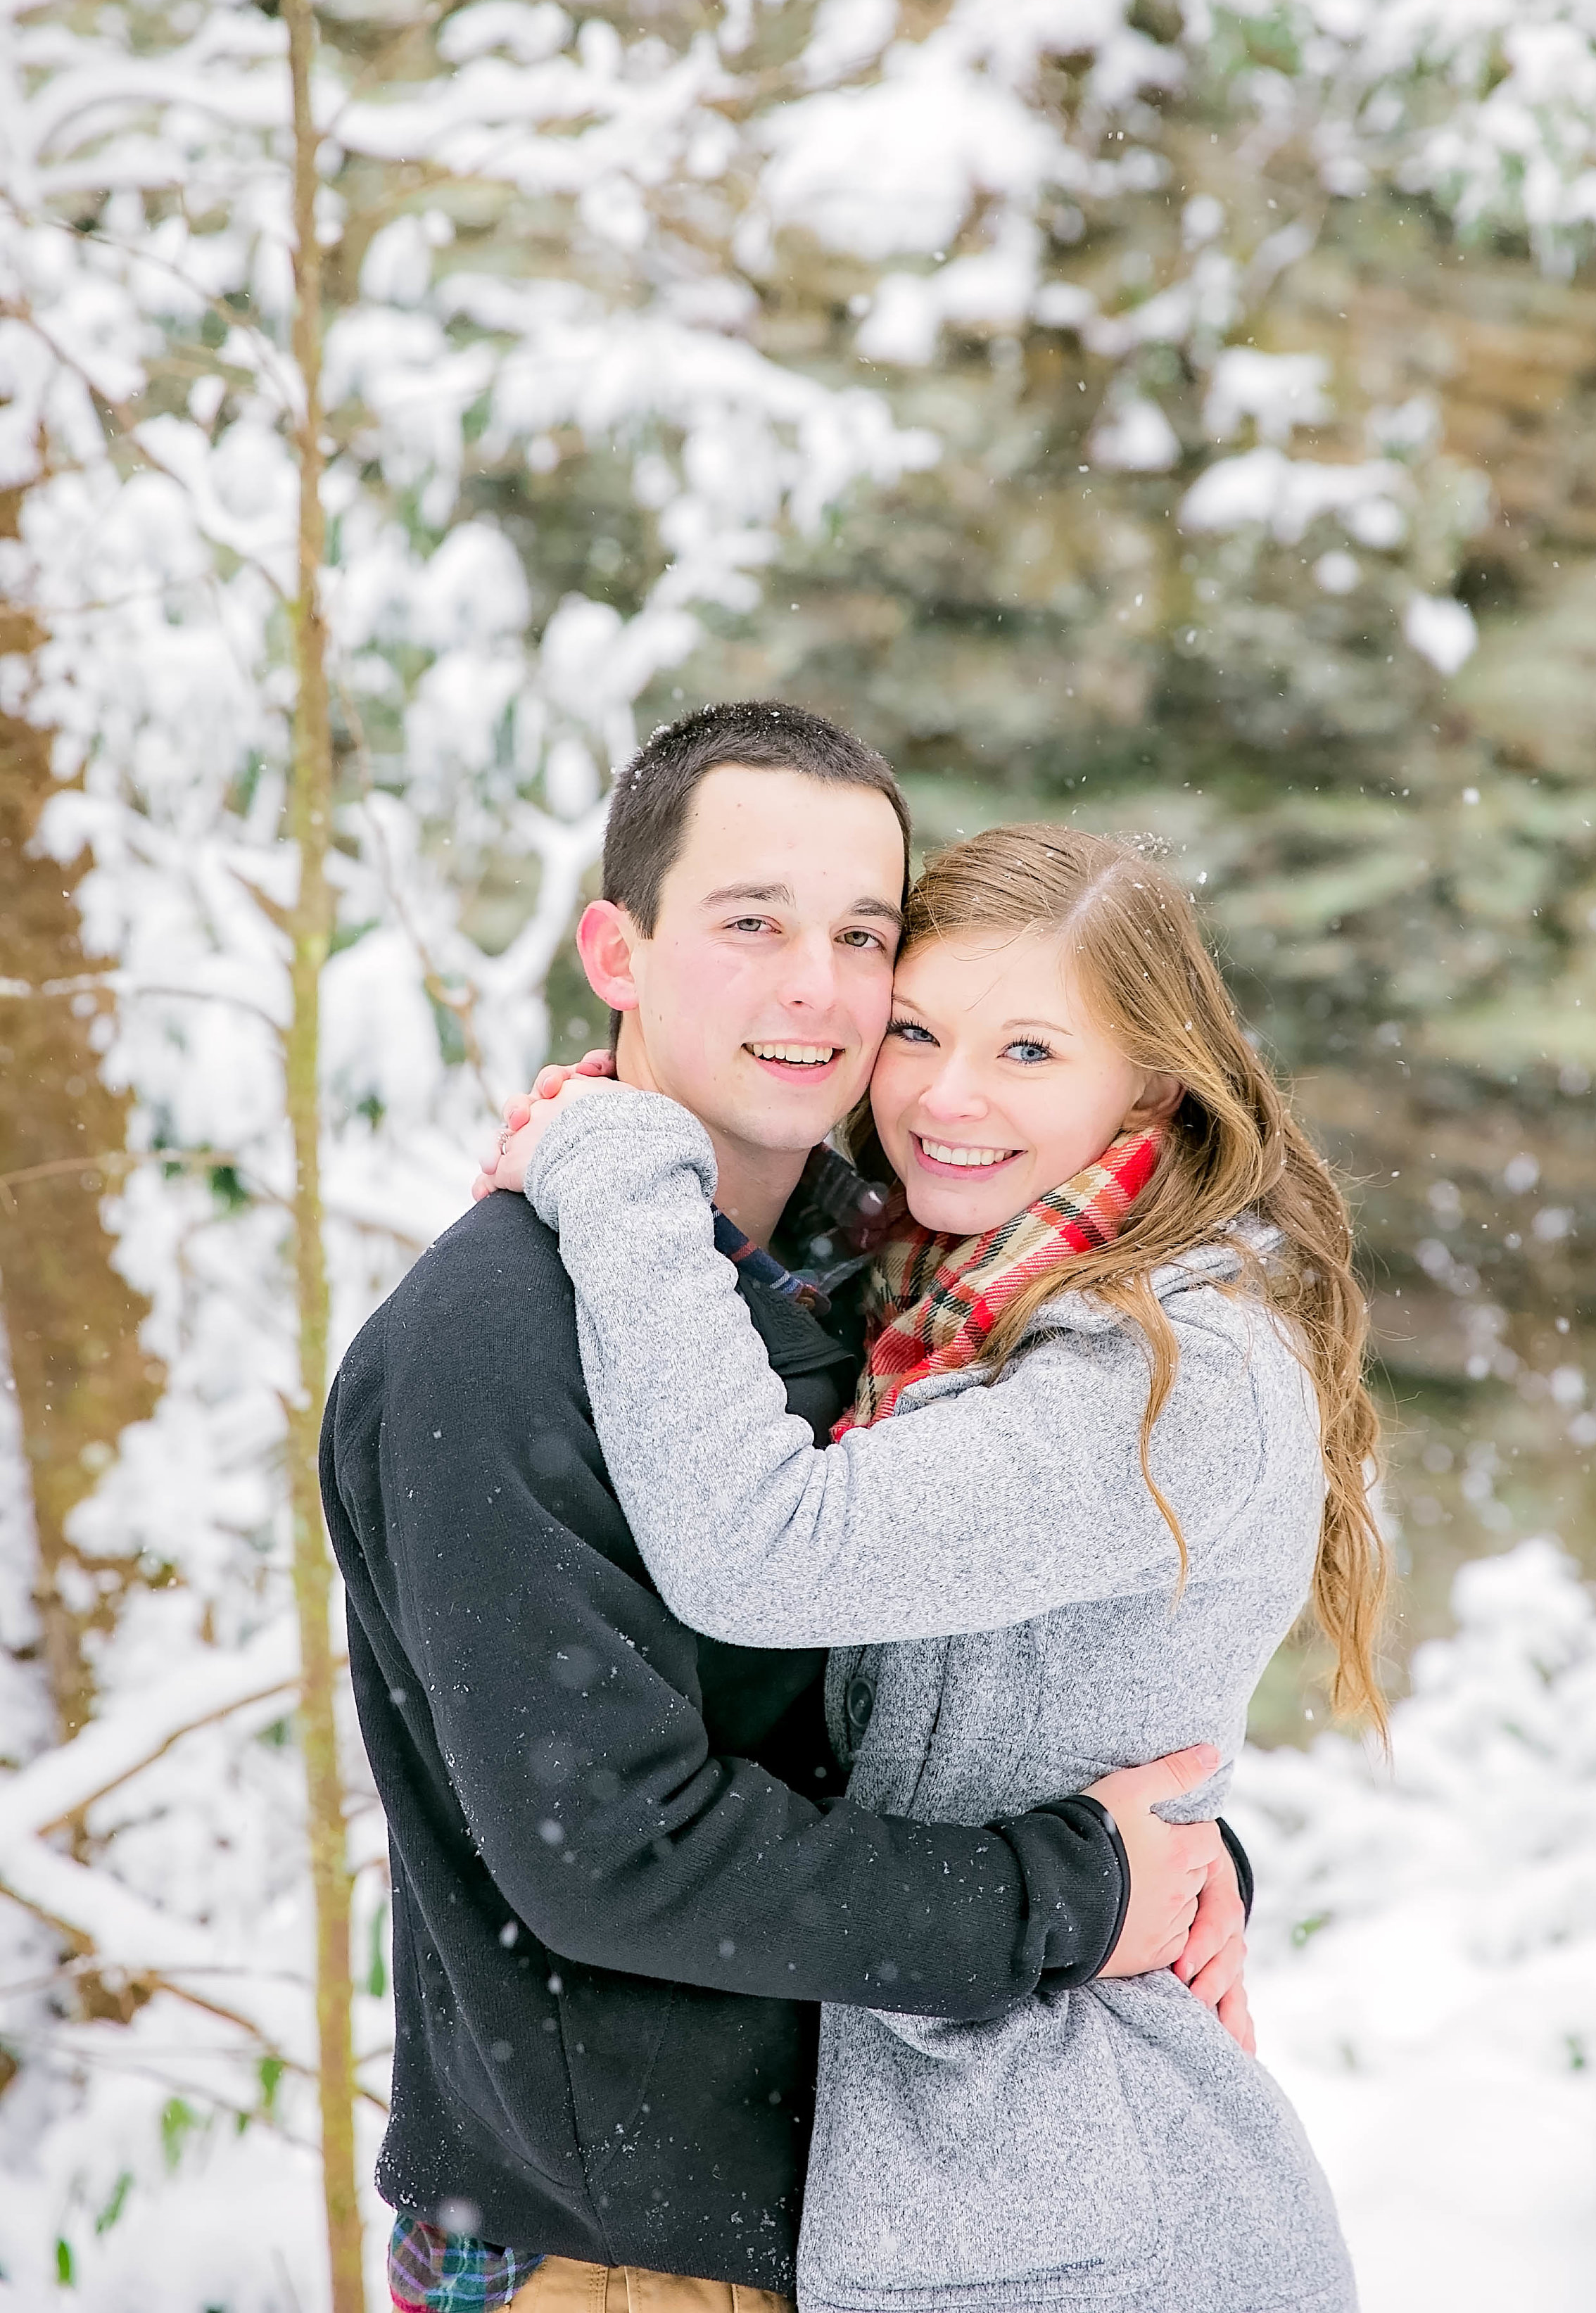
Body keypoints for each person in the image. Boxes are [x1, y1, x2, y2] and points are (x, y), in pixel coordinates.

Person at [321, 704, 1254, 2313]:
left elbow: (942, 1706)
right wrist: (1075, 1894)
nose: (815, 987)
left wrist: (1176, 1852)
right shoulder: (494, 1346)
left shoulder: (882, 1290)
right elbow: (612, 1854)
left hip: (869, 2233)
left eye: (861, 934)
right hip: (626, 2255)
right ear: (616, 950)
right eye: (751, 925)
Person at [488, 818, 1386, 2313]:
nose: (947, 1096)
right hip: (980, 2196)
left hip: (1097, 2233)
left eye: (1029, 1051)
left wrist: (617, 1158)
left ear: (1148, 1083)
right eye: (914, 1030)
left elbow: (761, 1554)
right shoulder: (948, 1305)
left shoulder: (1170, 1374)